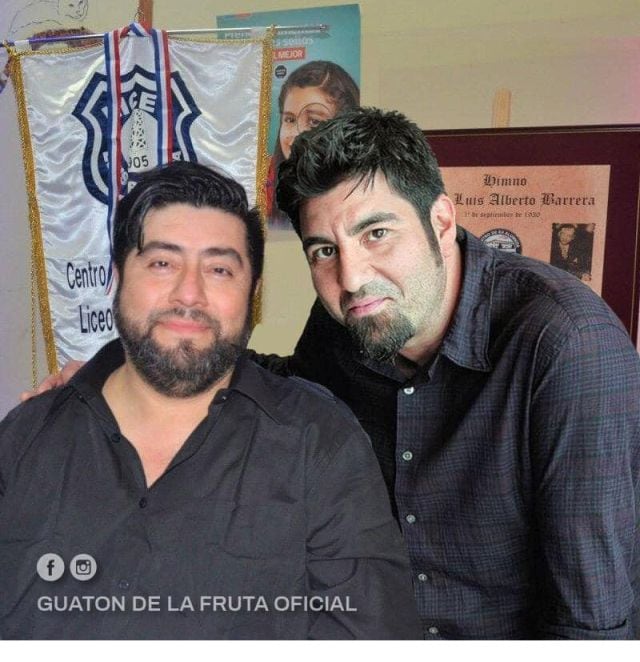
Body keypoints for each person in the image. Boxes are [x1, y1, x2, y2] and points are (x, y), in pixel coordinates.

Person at [24, 110, 640, 640]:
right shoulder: (350, 319)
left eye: (377, 233)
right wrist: (124, 371)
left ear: (442, 221)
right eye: (324, 250)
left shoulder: (567, 347)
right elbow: (285, 384)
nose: (352, 277)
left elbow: (595, 624)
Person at [0, 160, 421, 640]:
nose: (189, 294)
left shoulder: (319, 444)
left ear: (253, 294)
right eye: (162, 263)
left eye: (219, 269)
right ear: (117, 279)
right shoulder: (25, 438)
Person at [265, 60, 359, 228]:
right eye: (290, 119)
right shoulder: (261, 181)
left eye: (314, 121)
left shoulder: (360, 188)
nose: (296, 134)